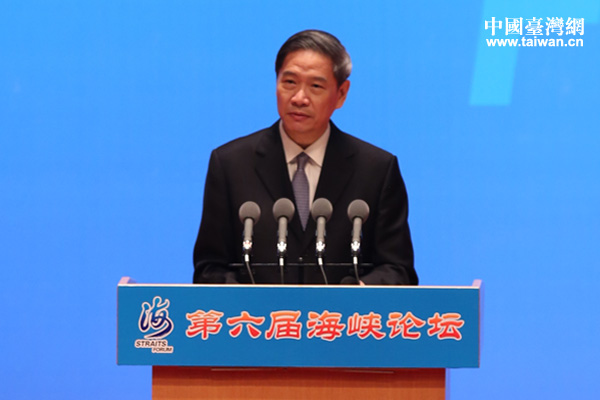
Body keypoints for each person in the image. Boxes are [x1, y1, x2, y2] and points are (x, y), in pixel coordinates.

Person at [193, 30, 417, 285]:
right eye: (289, 82)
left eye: (316, 86)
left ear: (341, 94)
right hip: (259, 312)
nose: (299, 98)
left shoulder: (376, 169)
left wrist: (356, 295)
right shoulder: (230, 164)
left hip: (340, 312)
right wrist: (251, 300)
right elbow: (209, 270)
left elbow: (398, 270)